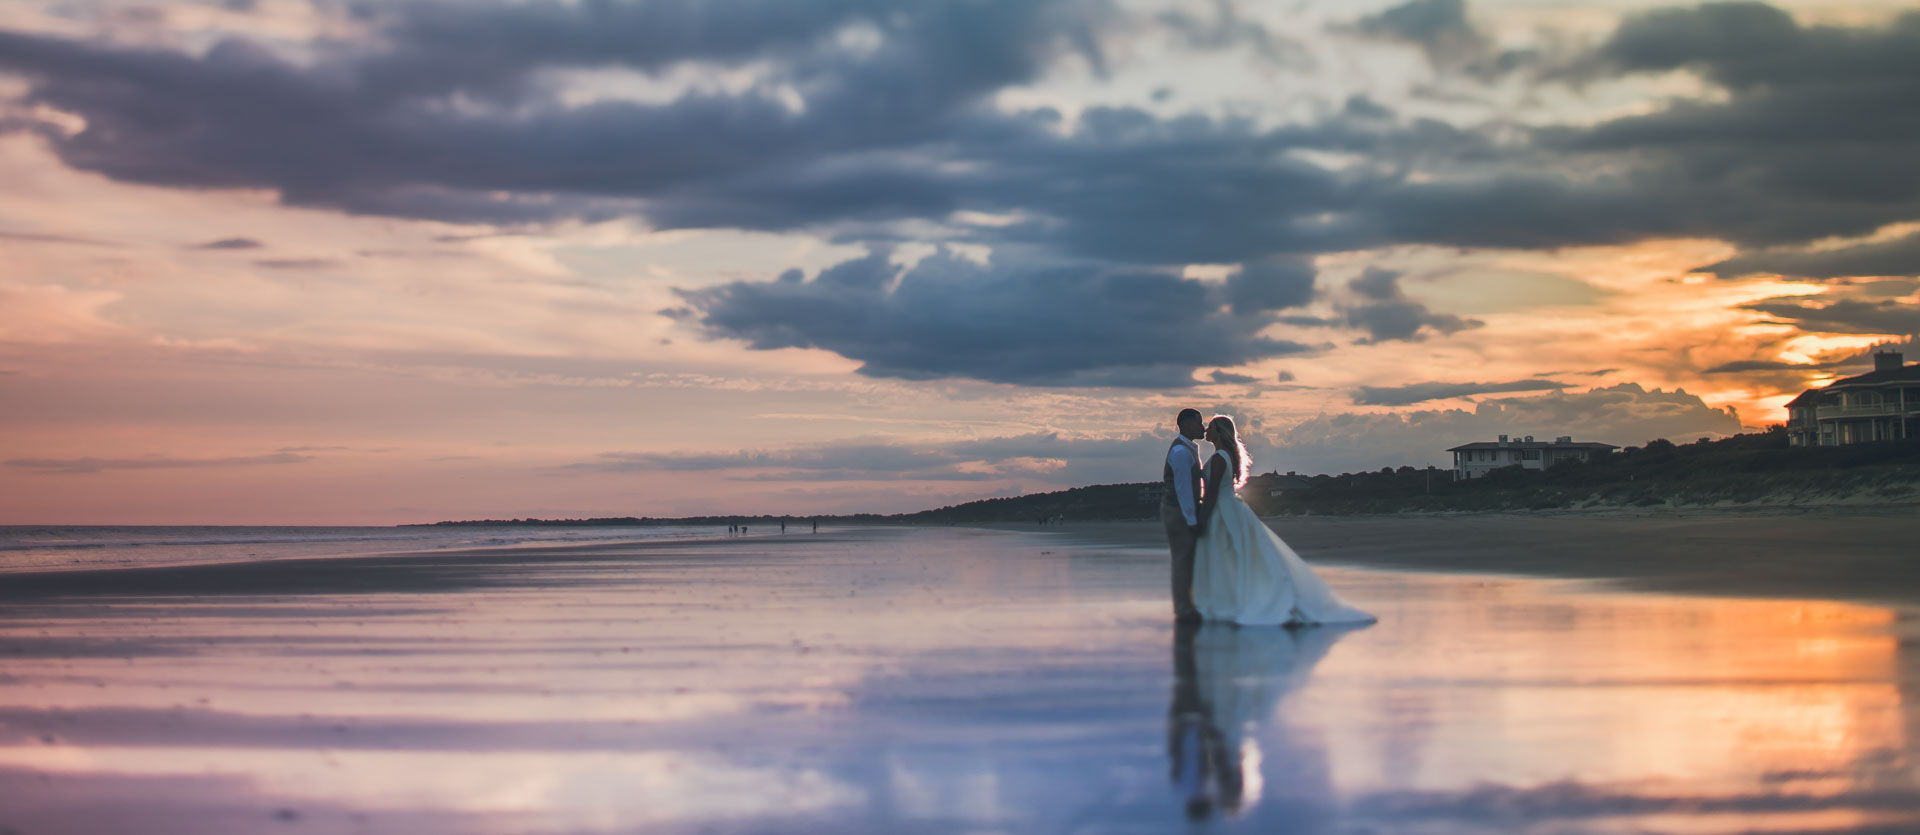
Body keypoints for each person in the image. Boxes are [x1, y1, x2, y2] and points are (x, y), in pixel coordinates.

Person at [1190, 414, 1375, 626]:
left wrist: (1202, 517)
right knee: (1235, 555)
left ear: (1220, 432)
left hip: (1223, 510)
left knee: (1229, 553)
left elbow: (1212, 492)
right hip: (1229, 507)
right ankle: (1231, 600)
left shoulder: (1220, 458)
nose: (1206, 430)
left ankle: (1235, 601)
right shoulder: (1223, 456)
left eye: (1211, 426)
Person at [1161, 408, 1207, 623]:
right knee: (1182, 560)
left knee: (1187, 560)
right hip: (1177, 511)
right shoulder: (1180, 452)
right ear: (1187, 424)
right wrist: (1191, 520)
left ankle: (1189, 605)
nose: (1203, 427)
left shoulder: (1189, 448)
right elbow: (1183, 490)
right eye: (1199, 423)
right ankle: (1183, 609)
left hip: (1181, 510)